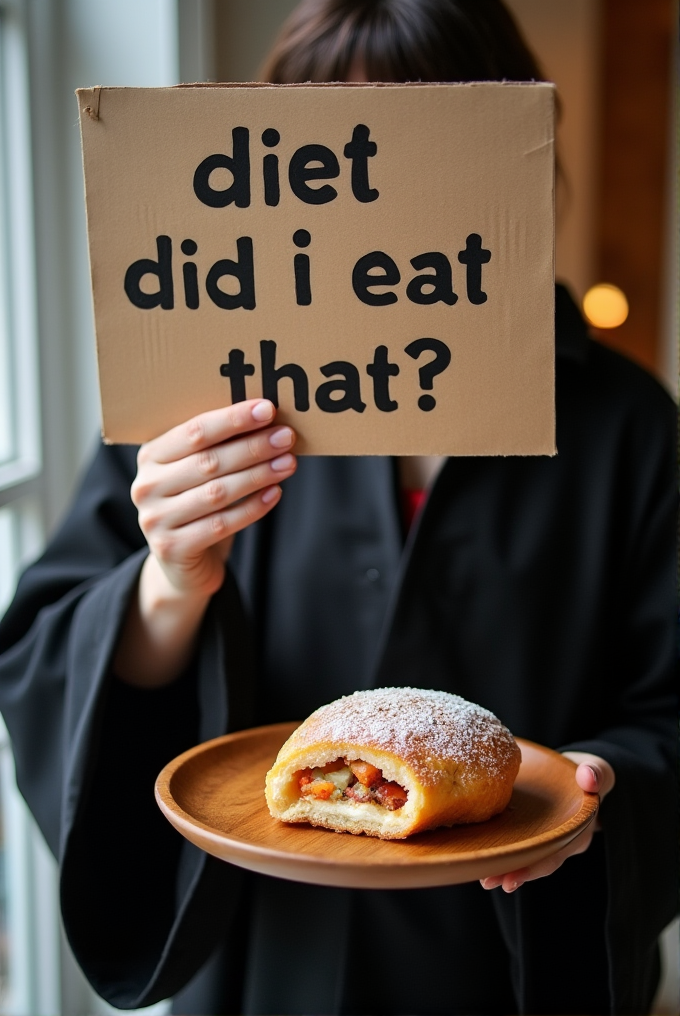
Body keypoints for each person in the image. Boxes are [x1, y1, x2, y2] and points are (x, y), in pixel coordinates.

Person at [0, 1, 676, 1013]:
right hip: (260, 951)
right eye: (337, 163)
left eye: (418, 150)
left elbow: (666, 708)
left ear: (509, 159)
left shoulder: (624, 421)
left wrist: (592, 794)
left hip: (501, 958)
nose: (378, 204)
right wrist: (165, 583)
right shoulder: (198, 396)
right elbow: (48, 657)